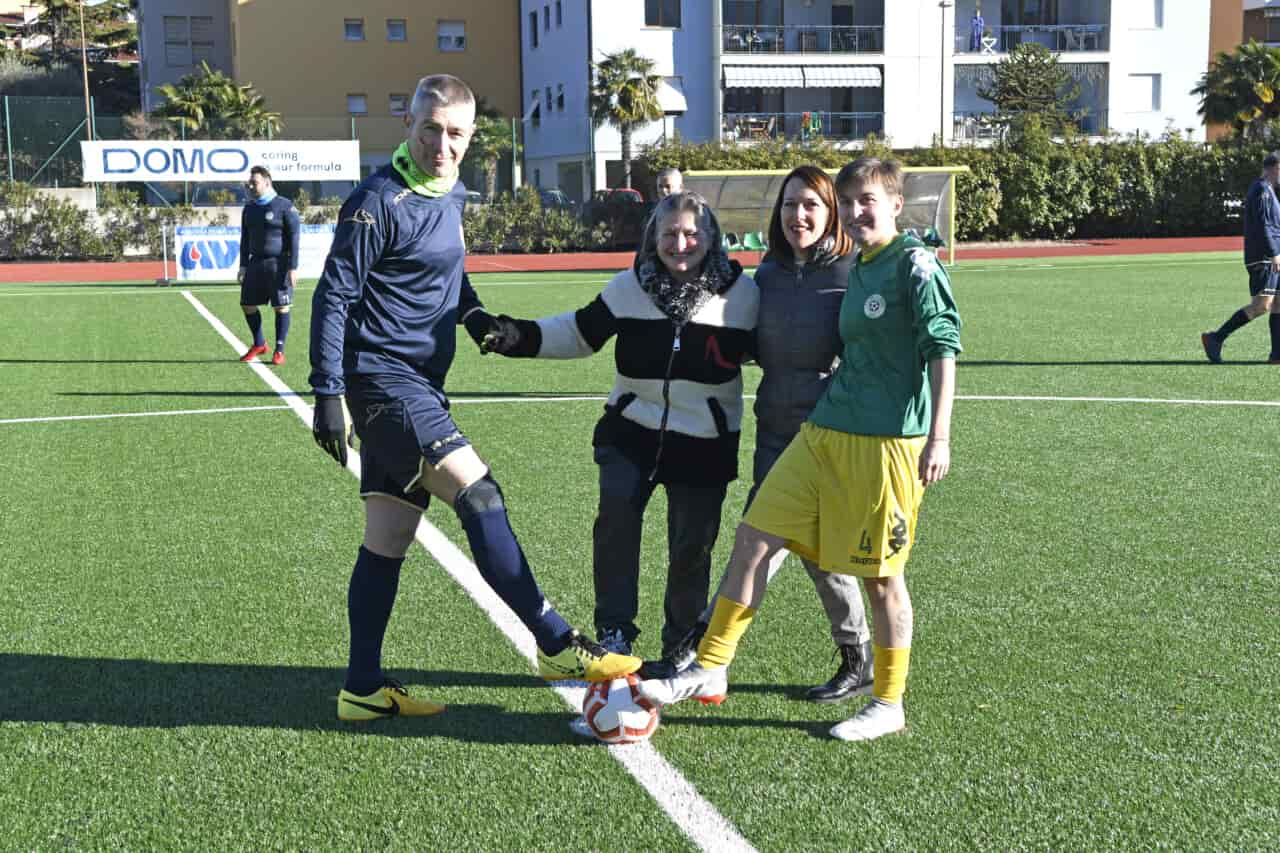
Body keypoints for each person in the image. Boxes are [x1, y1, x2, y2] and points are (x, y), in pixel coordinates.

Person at [309, 73, 641, 723]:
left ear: (469, 137)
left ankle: (362, 687)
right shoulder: (378, 201)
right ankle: (553, 642)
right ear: (409, 123)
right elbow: (332, 296)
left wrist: (476, 316)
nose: (442, 143)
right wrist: (327, 393)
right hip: (382, 381)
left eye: (455, 133)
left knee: (388, 538)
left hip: (418, 384)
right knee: (479, 493)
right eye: (430, 128)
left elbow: (447, 273)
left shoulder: (451, 193)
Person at [638, 157, 961, 743]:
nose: (859, 210)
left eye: (868, 200)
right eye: (852, 200)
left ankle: (888, 701)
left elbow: (944, 347)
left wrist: (939, 436)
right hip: (822, 432)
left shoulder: (914, 264)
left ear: (893, 204)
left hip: (886, 441)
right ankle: (710, 666)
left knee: (882, 578)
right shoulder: (858, 264)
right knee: (755, 536)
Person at [478, 191, 758, 670]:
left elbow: (781, 351)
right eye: (669, 234)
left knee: (692, 545)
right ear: (654, 238)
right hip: (631, 430)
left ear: (711, 237)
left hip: (705, 443)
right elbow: (580, 332)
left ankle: (681, 642)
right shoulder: (630, 286)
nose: (681, 243)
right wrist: (513, 337)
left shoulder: (744, 294)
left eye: (692, 233)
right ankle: (615, 631)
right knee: (615, 527)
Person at [661, 165, 875, 702]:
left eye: (811, 205)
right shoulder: (770, 275)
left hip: (828, 435)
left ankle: (701, 648)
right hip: (774, 429)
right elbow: (752, 341)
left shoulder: (855, 271)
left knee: (761, 544)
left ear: (831, 213)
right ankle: (858, 655)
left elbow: (869, 354)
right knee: (807, 549)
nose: (798, 215)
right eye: (789, 205)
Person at [1201, 150, 1280, 365]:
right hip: (1263, 257)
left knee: (1279, 303)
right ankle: (1215, 338)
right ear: (1275, 167)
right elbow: (1264, 226)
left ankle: (1277, 355)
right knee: (1261, 305)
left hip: (1272, 255)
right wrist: (1274, 253)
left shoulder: (1269, 190)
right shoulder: (1261, 189)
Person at [237, 165, 300, 365]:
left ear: (267, 182)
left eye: (254, 183)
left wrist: (293, 267)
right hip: (255, 263)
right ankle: (259, 343)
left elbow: (295, 238)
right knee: (247, 305)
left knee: (281, 307)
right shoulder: (249, 208)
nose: (251, 187)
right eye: (249, 184)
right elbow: (244, 239)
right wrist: (243, 266)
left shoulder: (284, 206)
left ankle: (279, 349)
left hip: (278, 264)